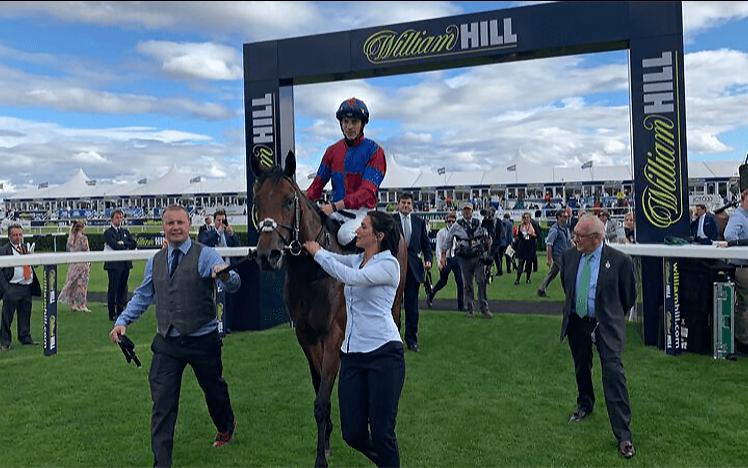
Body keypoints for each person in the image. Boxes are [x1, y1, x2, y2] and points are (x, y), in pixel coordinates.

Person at [108, 205, 240, 467]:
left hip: (203, 340)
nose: (176, 227)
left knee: (214, 391)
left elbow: (233, 282)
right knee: (162, 404)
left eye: (180, 222)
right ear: (163, 227)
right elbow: (144, 296)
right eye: (170, 223)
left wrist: (224, 275)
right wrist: (122, 321)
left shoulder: (206, 254)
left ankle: (225, 426)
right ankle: (162, 462)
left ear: (189, 224)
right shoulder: (155, 261)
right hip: (167, 343)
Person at [303, 210, 404, 468]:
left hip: (384, 355)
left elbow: (350, 278)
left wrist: (317, 253)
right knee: (353, 434)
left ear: (378, 236)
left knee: (382, 433)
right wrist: (313, 248)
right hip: (353, 356)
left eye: (364, 227)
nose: (357, 231)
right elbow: (336, 260)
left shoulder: (389, 265)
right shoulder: (359, 259)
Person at [560, 214, 636, 459]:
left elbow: (628, 296)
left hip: (605, 325)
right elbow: (567, 286)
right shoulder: (570, 256)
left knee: (613, 373)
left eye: (580, 236)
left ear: (596, 238)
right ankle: (585, 404)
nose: (575, 239)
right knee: (581, 366)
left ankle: (623, 434)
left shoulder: (620, 261)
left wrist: (610, 316)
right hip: (578, 322)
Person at [306, 97, 387, 249]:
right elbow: (316, 186)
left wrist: (335, 206)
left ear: (362, 124)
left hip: (362, 212)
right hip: (336, 210)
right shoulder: (331, 151)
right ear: (341, 123)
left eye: (354, 122)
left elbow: (367, 192)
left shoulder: (375, 152)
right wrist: (299, 200)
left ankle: (360, 268)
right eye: (345, 121)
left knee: (344, 235)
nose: (349, 127)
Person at [394, 193, 432, 352]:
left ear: (412, 205)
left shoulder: (419, 222)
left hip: (414, 269)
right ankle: (394, 339)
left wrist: (428, 259)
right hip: (394, 268)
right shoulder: (391, 221)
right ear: (398, 204)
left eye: (408, 203)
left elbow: (426, 244)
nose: (405, 206)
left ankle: (412, 339)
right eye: (403, 203)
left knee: (412, 307)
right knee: (393, 306)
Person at [445, 202, 492, 318]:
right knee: (468, 284)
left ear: (472, 211)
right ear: (462, 211)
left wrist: (487, 252)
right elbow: (448, 241)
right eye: (465, 210)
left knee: (481, 281)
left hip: (477, 256)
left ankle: (484, 307)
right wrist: (444, 256)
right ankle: (471, 309)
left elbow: (486, 238)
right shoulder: (456, 225)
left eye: (469, 210)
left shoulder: (478, 223)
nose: (467, 212)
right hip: (464, 257)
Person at [0, 224, 41, 351]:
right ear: (9, 236)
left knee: (25, 314)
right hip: (12, 287)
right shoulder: (4, 250)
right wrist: (6, 288)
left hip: (26, 286)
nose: (18, 237)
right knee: (7, 317)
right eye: (15, 235)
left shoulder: (25, 248)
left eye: (20, 235)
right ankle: (4, 342)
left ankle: (25, 337)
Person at [720, 188, 748, 353]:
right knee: (745, 305)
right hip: (743, 267)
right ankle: (743, 340)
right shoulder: (739, 216)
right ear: (743, 199)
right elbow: (729, 235)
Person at [103, 209, 138, 321]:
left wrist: (123, 243)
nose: (119, 219)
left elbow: (133, 243)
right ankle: (111, 313)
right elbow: (114, 245)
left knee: (123, 289)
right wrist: (124, 245)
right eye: (117, 217)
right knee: (113, 289)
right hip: (114, 265)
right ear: (112, 219)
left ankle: (121, 311)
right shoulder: (108, 232)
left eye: (121, 217)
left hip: (125, 264)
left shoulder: (125, 232)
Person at [428, 211, 464, 311]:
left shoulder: (459, 232)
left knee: (460, 282)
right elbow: (438, 248)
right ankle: (431, 294)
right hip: (446, 259)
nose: (451, 221)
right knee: (443, 282)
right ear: (446, 220)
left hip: (455, 259)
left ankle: (461, 306)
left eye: (453, 219)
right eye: (449, 219)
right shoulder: (441, 233)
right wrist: (439, 262)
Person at [537, 210, 572, 297]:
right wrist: (549, 259)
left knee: (552, 273)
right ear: (559, 217)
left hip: (565, 254)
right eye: (564, 217)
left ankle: (541, 289)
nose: (566, 218)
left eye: (567, 217)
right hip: (558, 255)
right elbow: (549, 244)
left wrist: (577, 249)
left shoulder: (565, 228)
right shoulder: (554, 230)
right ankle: (568, 293)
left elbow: (569, 241)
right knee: (567, 273)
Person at [59, 220, 92, 312]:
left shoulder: (70, 238)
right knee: (82, 285)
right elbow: (86, 250)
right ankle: (82, 305)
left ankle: (72, 304)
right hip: (82, 263)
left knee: (72, 284)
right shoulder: (83, 238)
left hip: (73, 264)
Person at [513, 212, 537, 286]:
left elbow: (538, 235)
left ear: (530, 218)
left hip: (530, 247)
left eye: (528, 217)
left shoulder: (533, 226)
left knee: (529, 264)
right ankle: (517, 279)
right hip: (522, 247)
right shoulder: (521, 226)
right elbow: (519, 237)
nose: (526, 219)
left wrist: (532, 234)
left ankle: (528, 278)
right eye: (525, 218)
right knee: (521, 263)